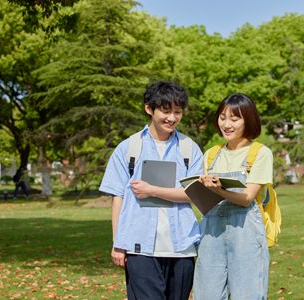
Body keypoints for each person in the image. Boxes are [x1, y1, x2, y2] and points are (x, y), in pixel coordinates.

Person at [99, 81, 204, 300]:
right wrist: (118, 244)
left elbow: (195, 193)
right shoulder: (129, 148)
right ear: (149, 108)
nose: (172, 118)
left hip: (182, 248)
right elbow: (117, 197)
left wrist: (152, 190)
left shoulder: (189, 148)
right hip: (140, 249)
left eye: (178, 112)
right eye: (166, 111)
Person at [193, 93, 273, 300]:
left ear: (248, 120)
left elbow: (247, 197)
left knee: (247, 294)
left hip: (245, 232)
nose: (226, 124)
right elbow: (204, 200)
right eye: (222, 117)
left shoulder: (260, 153)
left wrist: (219, 190)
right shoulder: (211, 154)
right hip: (212, 232)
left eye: (234, 119)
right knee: (206, 294)